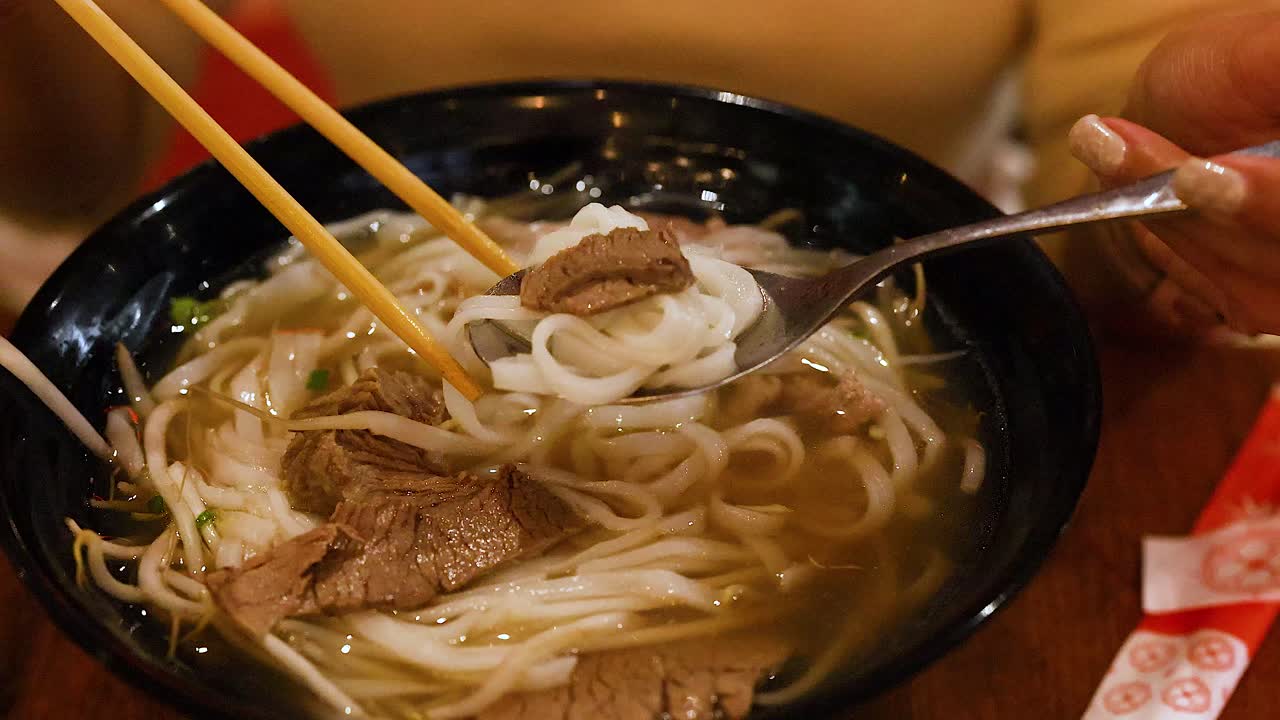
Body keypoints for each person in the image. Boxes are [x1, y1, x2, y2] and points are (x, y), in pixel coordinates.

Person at [1, 0, 1277, 337]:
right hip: (374, 262)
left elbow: (1115, 182)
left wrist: (1158, 218)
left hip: (895, 272)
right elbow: (69, 165)